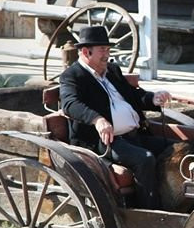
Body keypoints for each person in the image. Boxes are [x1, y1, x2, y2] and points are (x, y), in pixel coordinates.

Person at [60, 25, 175, 208]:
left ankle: (173, 202)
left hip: (135, 136)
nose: (107, 54)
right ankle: (148, 213)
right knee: (144, 158)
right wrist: (97, 119)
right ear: (85, 52)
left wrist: (153, 98)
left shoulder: (112, 71)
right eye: (102, 50)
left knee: (177, 149)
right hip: (105, 142)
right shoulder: (72, 76)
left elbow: (133, 95)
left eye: (108, 49)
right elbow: (70, 104)